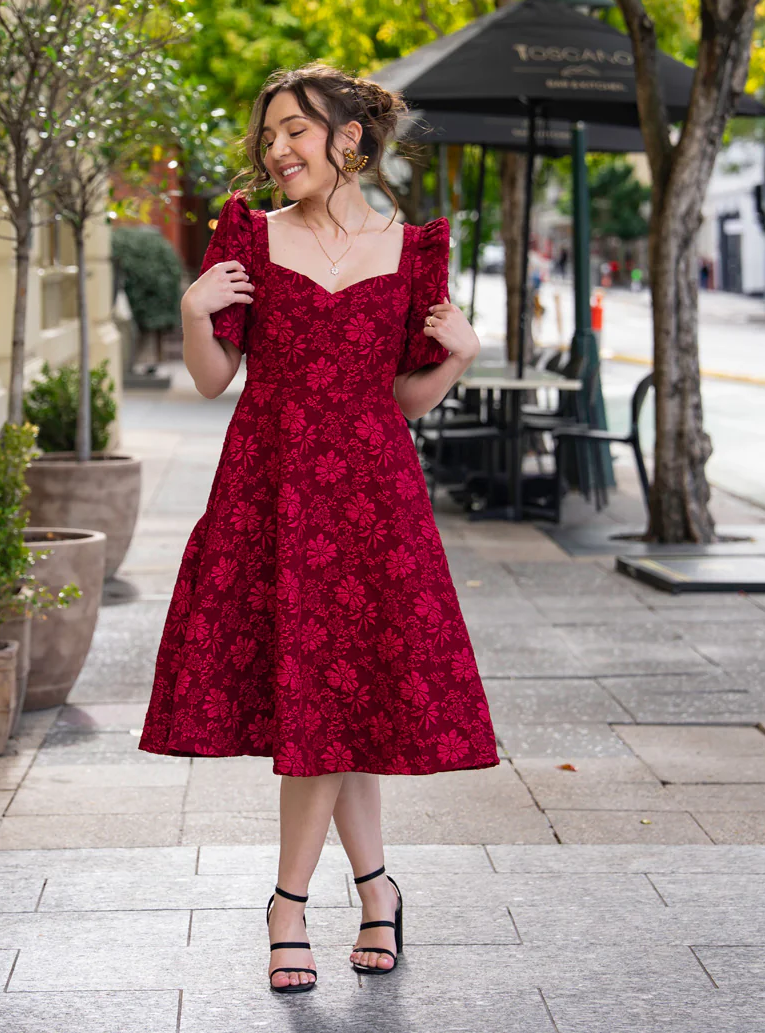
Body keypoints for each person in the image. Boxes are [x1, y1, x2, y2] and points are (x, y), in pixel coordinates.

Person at [139, 62, 498, 994]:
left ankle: (313, 899)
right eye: (268, 135)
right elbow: (215, 379)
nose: (276, 149)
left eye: (294, 129)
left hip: (374, 497)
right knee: (325, 705)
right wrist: (192, 312)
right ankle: (342, 895)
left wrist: (456, 360)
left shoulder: (413, 249)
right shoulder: (249, 239)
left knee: (347, 704)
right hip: (275, 488)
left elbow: (405, 397)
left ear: (350, 137)